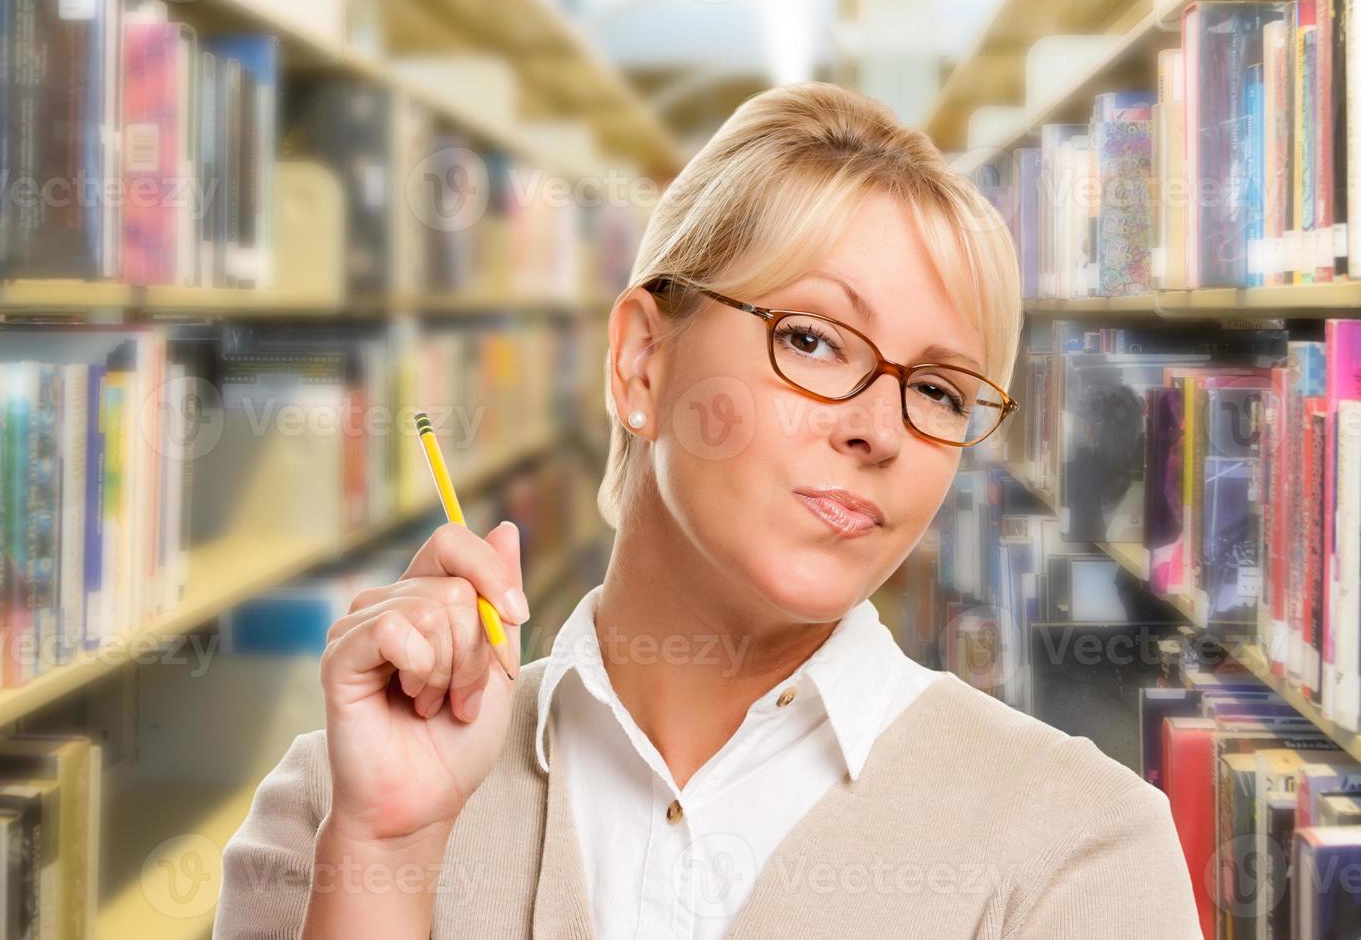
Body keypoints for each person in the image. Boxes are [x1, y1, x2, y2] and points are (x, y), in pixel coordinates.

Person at [213, 82, 1201, 940]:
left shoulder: (1084, 849)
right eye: (814, 339)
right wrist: (384, 854)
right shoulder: (334, 801)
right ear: (642, 361)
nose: (879, 429)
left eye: (940, 391)